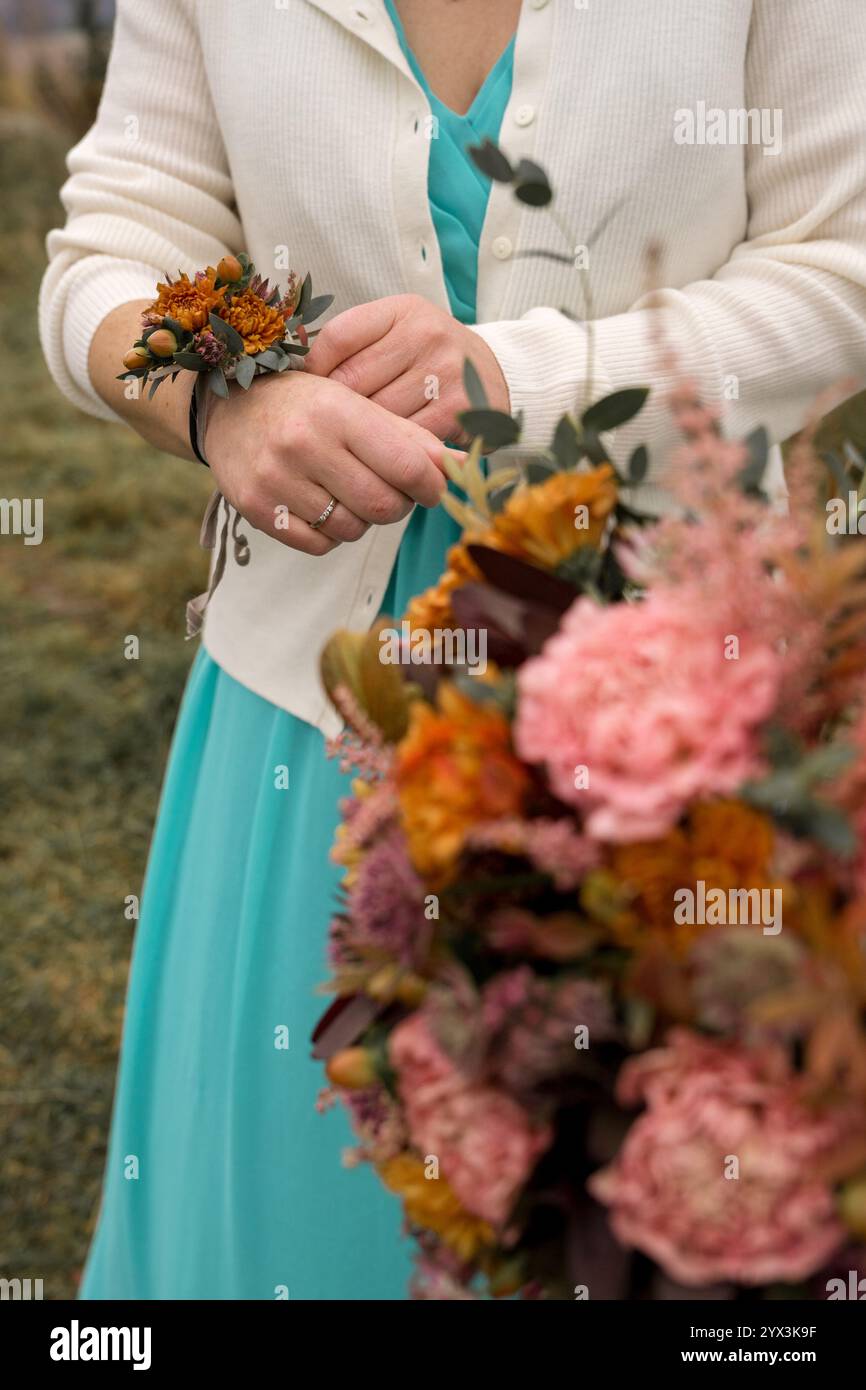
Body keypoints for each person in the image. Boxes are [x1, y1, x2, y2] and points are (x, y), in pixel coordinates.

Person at [39, 0, 866, 1300]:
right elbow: (111, 245)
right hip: (306, 718)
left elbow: (841, 266)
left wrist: (516, 374)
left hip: (673, 719)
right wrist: (215, 402)